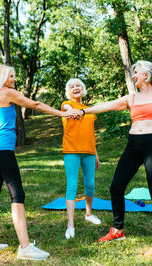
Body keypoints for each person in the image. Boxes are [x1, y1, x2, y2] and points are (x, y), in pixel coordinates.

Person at [0, 65, 76, 260]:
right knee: (17, 195)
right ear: (2, 77)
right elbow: (35, 105)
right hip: (4, 152)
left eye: (14, 75)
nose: (14, 79)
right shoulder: (7, 93)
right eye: (10, 76)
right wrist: (63, 114)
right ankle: (24, 247)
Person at [77, 60, 152, 256]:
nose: (133, 75)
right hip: (133, 145)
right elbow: (106, 105)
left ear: (146, 75)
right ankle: (117, 230)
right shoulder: (131, 98)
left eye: (136, 72)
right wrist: (83, 111)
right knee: (116, 187)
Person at [61, 78, 102, 240]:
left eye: (78, 85)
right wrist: (71, 109)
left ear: (83, 89)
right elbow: (67, 108)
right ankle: (70, 224)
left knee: (90, 185)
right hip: (71, 151)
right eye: (72, 86)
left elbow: (91, 133)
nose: (75, 88)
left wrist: (96, 154)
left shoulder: (88, 110)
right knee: (72, 185)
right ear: (68, 91)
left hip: (89, 152)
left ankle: (88, 214)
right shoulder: (66, 104)